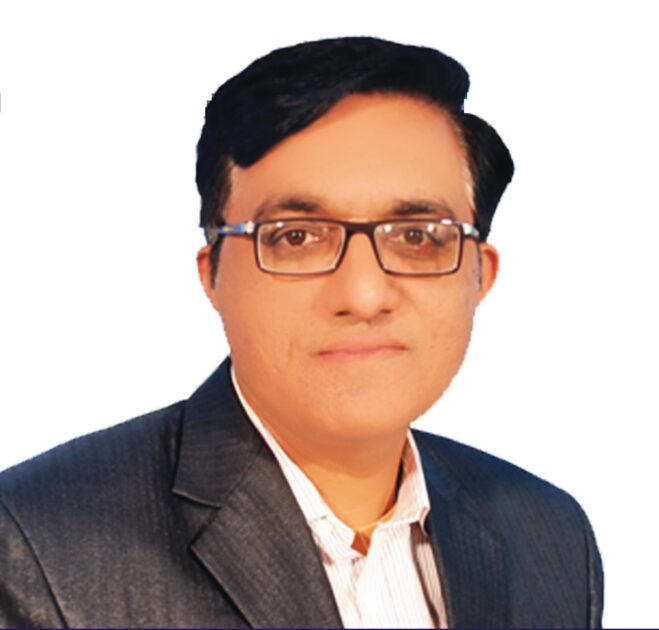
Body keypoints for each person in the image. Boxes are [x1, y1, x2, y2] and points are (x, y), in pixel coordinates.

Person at [0, 37, 603, 628]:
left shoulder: (547, 535)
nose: (363, 296)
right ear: (213, 276)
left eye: (417, 236)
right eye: (296, 237)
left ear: (480, 276)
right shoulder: (37, 545)